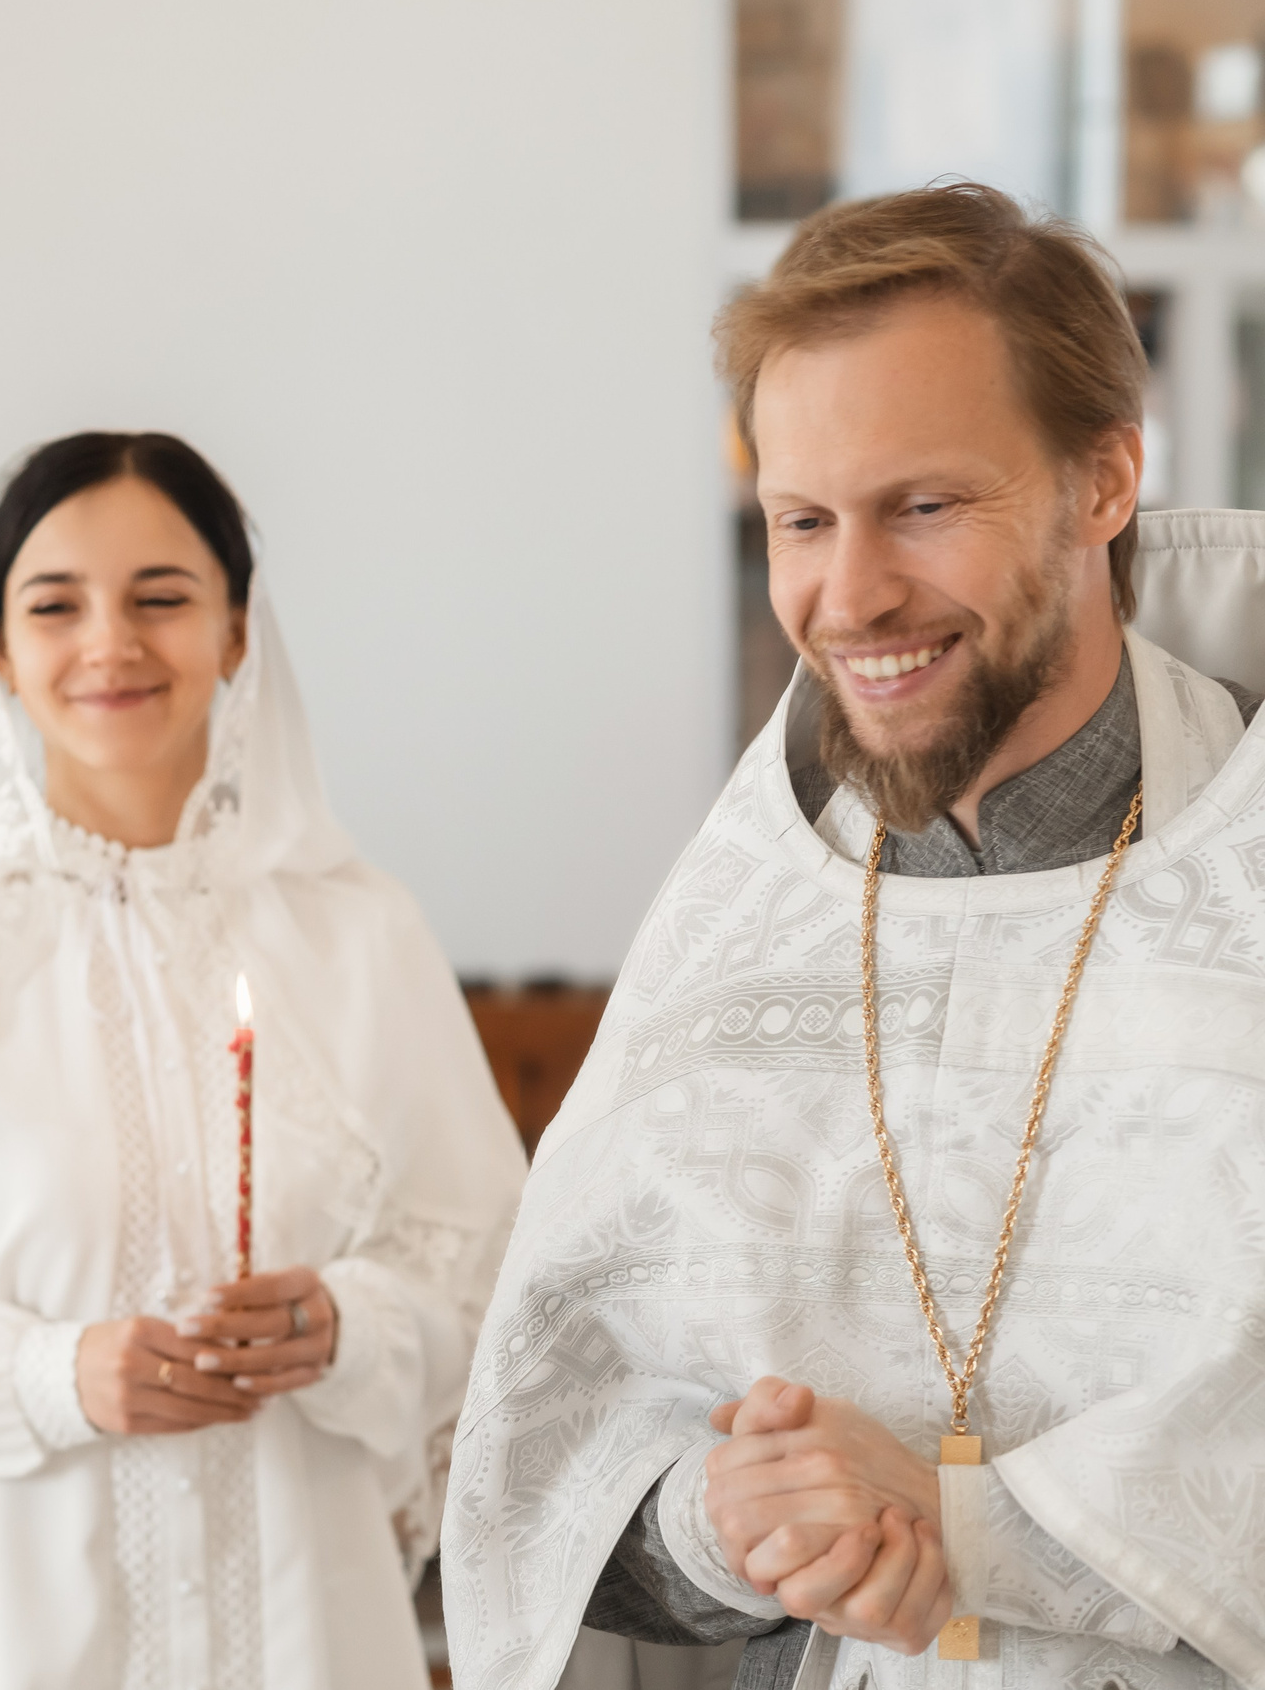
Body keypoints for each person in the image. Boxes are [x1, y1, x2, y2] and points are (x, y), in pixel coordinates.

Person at [445, 183, 1265, 1690]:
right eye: (803, 521)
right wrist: (722, 1519)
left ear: (1104, 484)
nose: (851, 595)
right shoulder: (741, 918)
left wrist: (969, 1529)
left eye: (926, 505)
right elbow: (536, 1499)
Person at [0, 432, 528, 1689]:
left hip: (302, 1622)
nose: (110, 642)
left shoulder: (357, 932)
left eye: (161, 598)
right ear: (2, 655)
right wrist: (55, 1374)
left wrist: (345, 1323)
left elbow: (488, 1284)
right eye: (55, 606)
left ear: (235, 631)